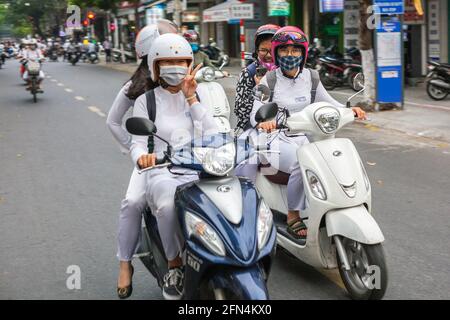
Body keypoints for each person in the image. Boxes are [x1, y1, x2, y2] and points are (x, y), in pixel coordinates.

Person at [236, 26, 366, 240]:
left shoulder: (312, 77)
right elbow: (254, 114)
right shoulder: (269, 79)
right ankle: (293, 215)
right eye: (284, 50)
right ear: (276, 53)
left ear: (303, 52)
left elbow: (329, 103)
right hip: (275, 138)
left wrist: (349, 110)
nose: (289, 55)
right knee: (302, 161)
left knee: (327, 158)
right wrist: (266, 121)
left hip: (303, 135)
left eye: (295, 50)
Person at [130, 33, 218, 300]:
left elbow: (213, 132)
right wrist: (142, 158)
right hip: (162, 170)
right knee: (167, 205)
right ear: (156, 65)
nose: (175, 66)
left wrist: (191, 99)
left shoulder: (198, 94)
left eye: (181, 61)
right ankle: (174, 265)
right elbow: (137, 142)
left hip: (199, 167)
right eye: (168, 61)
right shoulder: (146, 101)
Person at [106, 19, 179, 299]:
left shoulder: (186, 78)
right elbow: (113, 122)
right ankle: (125, 264)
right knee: (133, 202)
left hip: (190, 157)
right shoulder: (134, 87)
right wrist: (137, 154)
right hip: (153, 162)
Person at [234, 24, 280, 133]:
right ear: (256, 50)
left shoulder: (285, 71)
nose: (268, 55)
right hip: (254, 129)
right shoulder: (249, 73)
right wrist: (260, 90)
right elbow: (241, 111)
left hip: (282, 127)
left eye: (272, 50)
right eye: (263, 50)